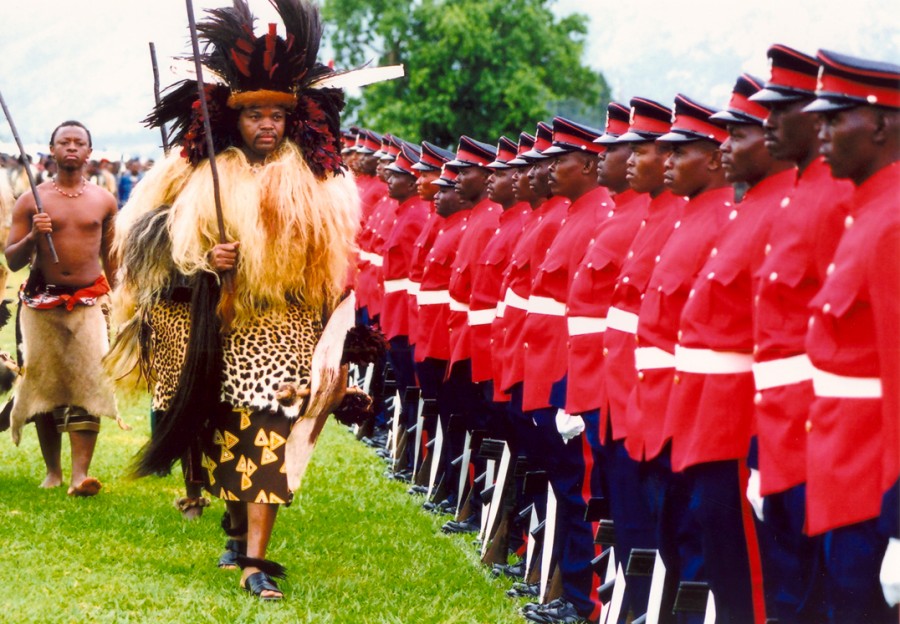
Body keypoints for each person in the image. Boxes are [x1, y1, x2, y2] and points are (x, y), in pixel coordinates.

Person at [109, 0, 359, 601]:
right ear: (235, 119)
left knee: (270, 441)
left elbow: (328, 273)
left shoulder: (319, 183)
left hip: (285, 339)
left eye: (277, 115)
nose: (266, 125)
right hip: (219, 335)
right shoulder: (193, 175)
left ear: (292, 120)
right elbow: (144, 245)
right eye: (255, 117)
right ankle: (233, 528)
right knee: (228, 440)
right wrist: (200, 265)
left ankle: (253, 560)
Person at [801, 48, 900, 623]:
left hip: (872, 492)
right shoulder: (866, 215)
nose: (822, 132)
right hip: (842, 473)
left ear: (882, 124)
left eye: (836, 119)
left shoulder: (889, 224)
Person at [5, 119, 119, 495]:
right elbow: (13, 259)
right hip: (40, 304)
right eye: (63, 142)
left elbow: (111, 255)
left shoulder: (103, 200)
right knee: (43, 385)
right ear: (52, 151)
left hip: (89, 301)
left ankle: (79, 475)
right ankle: (53, 471)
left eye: (79, 143)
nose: (71, 148)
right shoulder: (31, 200)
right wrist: (35, 236)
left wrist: (117, 297)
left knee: (90, 380)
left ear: (89, 152)